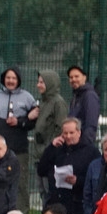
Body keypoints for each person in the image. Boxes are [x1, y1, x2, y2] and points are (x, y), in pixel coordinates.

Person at [0, 66, 39, 213]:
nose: (10, 81)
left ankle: (21, 213)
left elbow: (32, 122)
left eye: (14, 78)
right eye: (8, 78)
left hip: (19, 149)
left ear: (19, 80)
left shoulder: (27, 98)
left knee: (20, 181)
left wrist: (20, 121)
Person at [37, 117, 100, 214]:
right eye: (65, 133)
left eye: (71, 133)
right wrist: (51, 147)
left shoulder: (90, 152)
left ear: (79, 132)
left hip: (78, 205)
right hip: (58, 203)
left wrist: (78, 180)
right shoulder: (57, 149)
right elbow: (41, 170)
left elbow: (95, 178)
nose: (68, 136)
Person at [33, 70, 69, 199]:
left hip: (51, 155)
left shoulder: (58, 103)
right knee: (42, 192)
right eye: (38, 82)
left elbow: (61, 127)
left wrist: (50, 147)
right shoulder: (43, 102)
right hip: (39, 154)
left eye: (42, 82)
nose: (38, 85)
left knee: (50, 192)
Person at [67, 65, 100, 145]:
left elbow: (91, 124)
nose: (73, 79)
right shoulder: (75, 97)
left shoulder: (90, 96)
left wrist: (84, 145)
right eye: (71, 77)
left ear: (84, 78)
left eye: (76, 76)